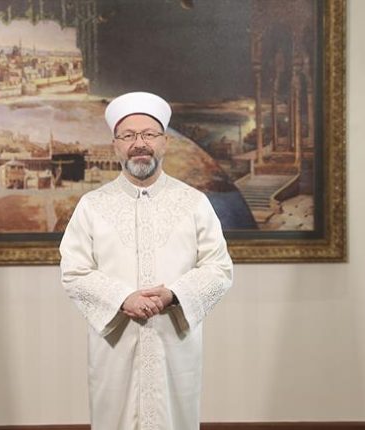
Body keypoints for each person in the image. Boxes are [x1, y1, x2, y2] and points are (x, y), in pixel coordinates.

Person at [59, 91, 233, 430]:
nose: (139, 144)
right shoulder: (92, 206)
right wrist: (123, 298)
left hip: (175, 344)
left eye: (149, 134)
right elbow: (74, 271)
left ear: (165, 142)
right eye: (128, 136)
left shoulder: (194, 203)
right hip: (115, 346)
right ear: (115, 146)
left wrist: (173, 295)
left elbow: (219, 268)